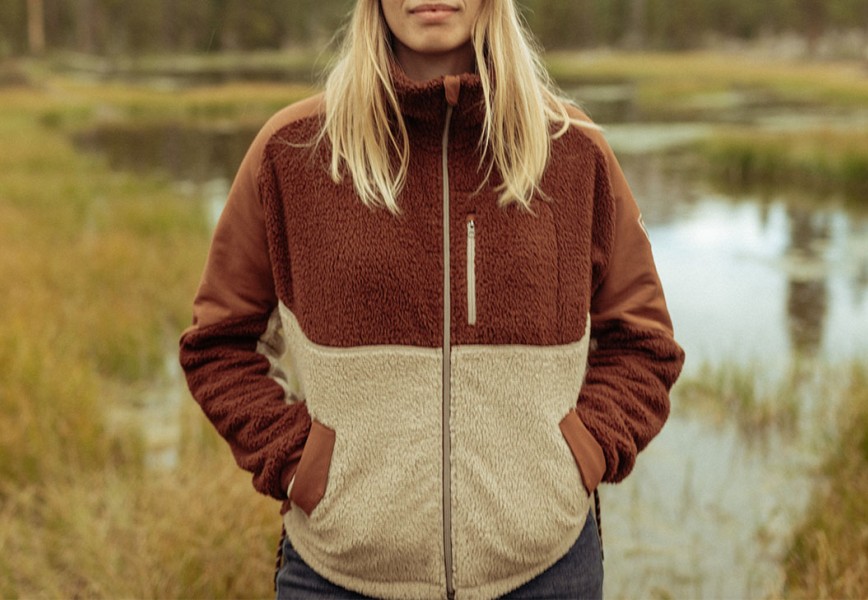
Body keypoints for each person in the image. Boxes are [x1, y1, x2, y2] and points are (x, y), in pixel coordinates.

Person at [179, 1, 685, 598]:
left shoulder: (572, 151)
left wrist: (580, 455)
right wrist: (299, 465)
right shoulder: (293, 152)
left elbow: (644, 344)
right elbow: (218, 343)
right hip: (338, 577)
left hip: (545, 572)